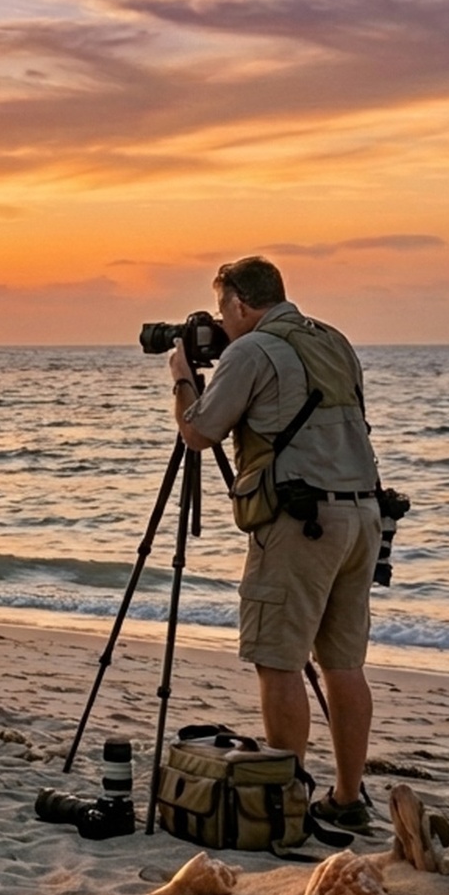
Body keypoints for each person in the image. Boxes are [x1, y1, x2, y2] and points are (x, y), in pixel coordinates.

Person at [170, 256, 382, 833]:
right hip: (362, 513)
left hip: (300, 520)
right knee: (343, 663)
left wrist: (182, 375)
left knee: (278, 659)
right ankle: (345, 797)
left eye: (223, 311)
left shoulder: (252, 351)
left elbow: (198, 430)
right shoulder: (333, 340)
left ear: (239, 304)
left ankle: (285, 802)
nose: (222, 323)